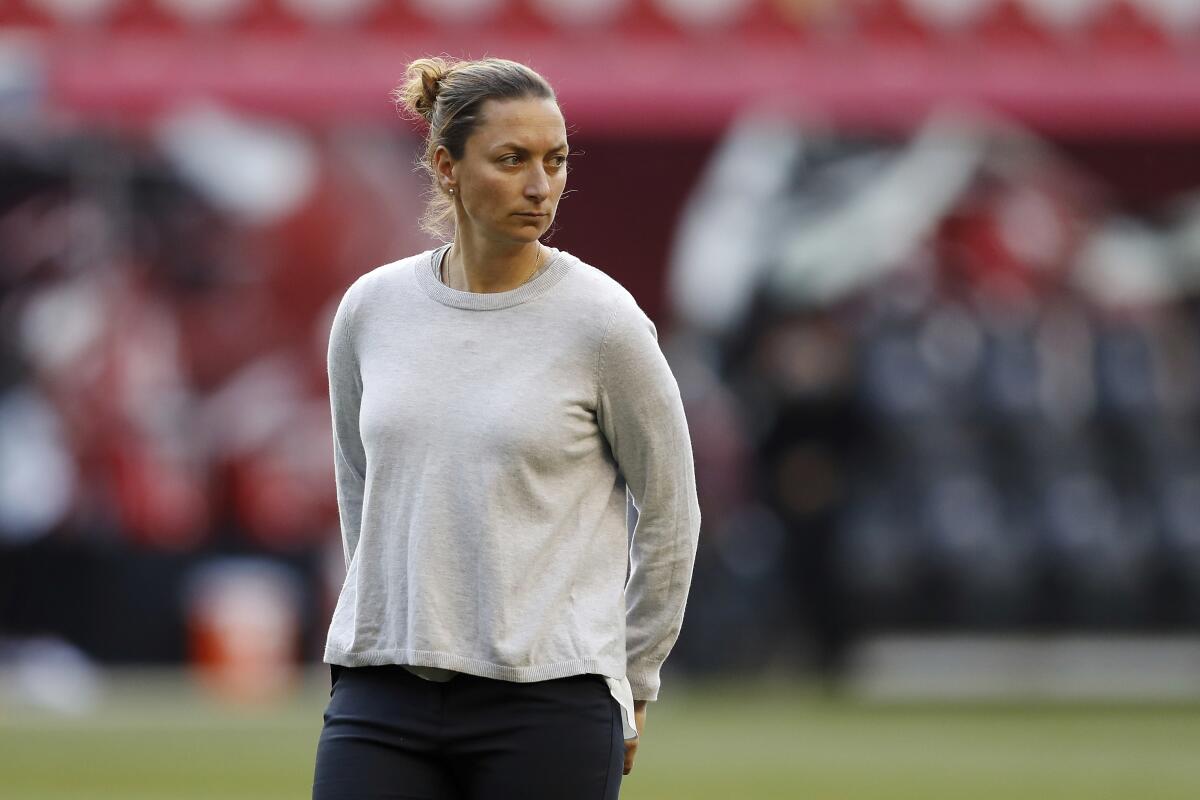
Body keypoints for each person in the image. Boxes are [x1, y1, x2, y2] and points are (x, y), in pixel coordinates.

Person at [311, 56, 701, 800]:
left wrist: (636, 677)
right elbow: (362, 490)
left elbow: (671, 513)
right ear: (445, 166)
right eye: (512, 160)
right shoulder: (370, 310)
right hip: (382, 692)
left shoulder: (604, 322)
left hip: (548, 701)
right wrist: (390, 621)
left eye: (555, 161)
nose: (540, 186)